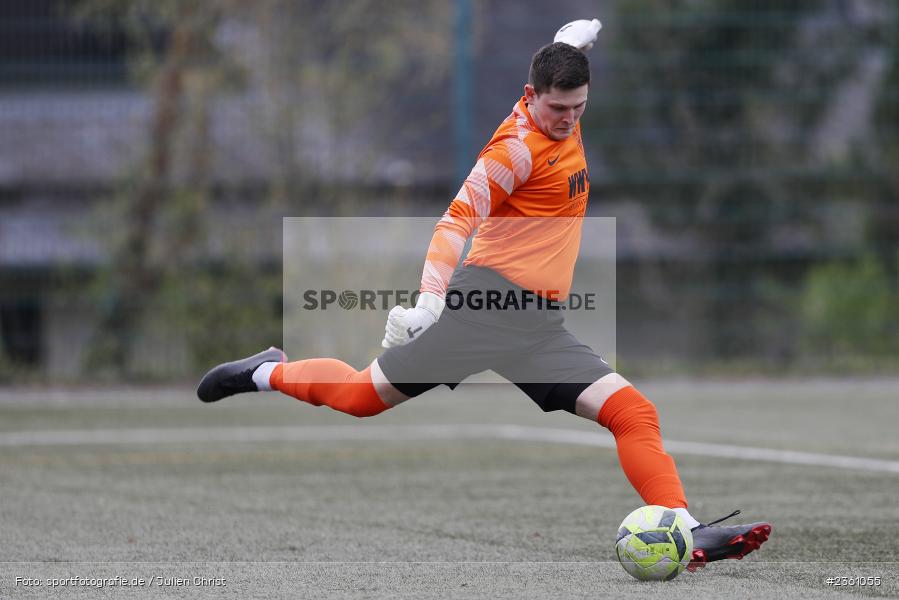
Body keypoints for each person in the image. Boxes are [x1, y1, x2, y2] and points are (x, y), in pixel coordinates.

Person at [197, 25, 770, 570]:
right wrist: (428, 300)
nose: (569, 120)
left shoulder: (562, 111)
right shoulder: (514, 150)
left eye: (579, 108)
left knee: (634, 413)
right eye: (558, 109)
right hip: (485, 308)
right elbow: (455, 221)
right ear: (531, 97)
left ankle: (683, 526)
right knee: (360, 397)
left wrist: (569, 41)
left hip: (537, 326)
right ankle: (265, 372)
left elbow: (562, 76)